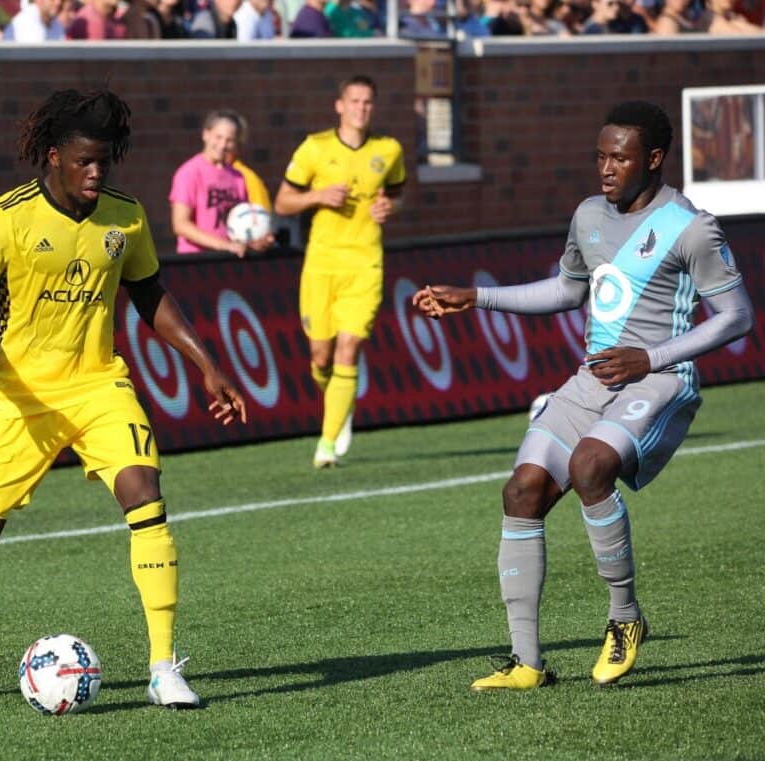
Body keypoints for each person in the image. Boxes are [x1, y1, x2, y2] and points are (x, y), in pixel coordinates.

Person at [0, 88, 248, 710]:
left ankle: (164, 666)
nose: (96, 173)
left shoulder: (126, 216)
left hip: (98, 385)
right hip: (21, 396)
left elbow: (150, 296)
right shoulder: (8, 217)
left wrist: (208, 366)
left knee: (146, 494)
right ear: (54, 157)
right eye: (85, 161)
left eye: (105, 162)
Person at [412, 101, 754, 690]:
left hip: (659, 380)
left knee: (590, 465)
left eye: (619, 157)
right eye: (599, 156)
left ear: (653, 158)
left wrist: (652, 357)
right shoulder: (588, 215)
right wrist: (477, 296)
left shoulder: (692, 227)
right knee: (522, 491)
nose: (605, 168)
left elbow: (737, 316)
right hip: (591, 380)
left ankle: (625, 618)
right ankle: (527, 664)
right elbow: (569, 291)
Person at [274, 74, 405, 468]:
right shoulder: (316, 148)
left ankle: (326, 445)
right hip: (322, 263)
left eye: (368, 102)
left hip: (365, 262)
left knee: (349, 347)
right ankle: (339, 403)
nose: (361, 108)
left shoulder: (389, 149)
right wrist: (317, 196)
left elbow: (398, 194)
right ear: (340, 105)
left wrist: (390, 209)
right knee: (321, 354)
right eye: (354, 101)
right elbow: (282, 202)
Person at [169, 110, 272, 257]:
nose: (223, 145)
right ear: (206, 134)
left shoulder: (238, 177)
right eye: (218, 137)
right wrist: (224, 245)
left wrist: (257, 240)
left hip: (229, 261)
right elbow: (180, 225)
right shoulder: (189, 173)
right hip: (196, 261)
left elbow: (243, 221)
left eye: (230, 140)